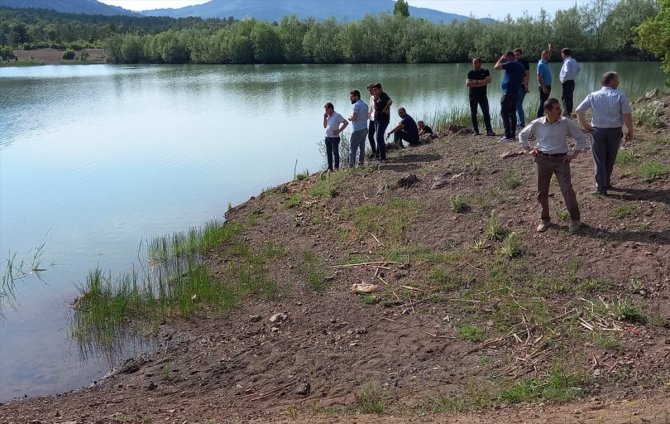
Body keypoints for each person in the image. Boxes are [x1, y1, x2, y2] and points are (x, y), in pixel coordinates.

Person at [519, 98, 587, 234]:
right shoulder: (537, 123)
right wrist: (528, 150)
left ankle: (575, 220)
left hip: (561, 161)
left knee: (567, 189)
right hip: (542, 160)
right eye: (556, 108)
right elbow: (522, 135)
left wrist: (574, 155)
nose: (559, 111)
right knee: (542, 191)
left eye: (559, 108)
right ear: (548, 111)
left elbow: (580, 136)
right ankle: (545, 219)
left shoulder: (565, 123)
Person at [575, 71, 634, 195]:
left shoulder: (593, 95)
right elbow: (627, 115)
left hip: (598, 131)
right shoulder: (620, 95)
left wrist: (586, 126)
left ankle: (601, 187)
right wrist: (630, 130)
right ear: (611, 81)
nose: (618, 82)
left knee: (599, 159)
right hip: (615, 131)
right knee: (610, 158)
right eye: (617, 79)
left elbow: (579, 110)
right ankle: (605, 182)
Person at [494, 51, 526, 142]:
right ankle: (512, 135)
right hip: (515, 92)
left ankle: (508, 135)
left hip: (507, 92)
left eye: (506, 58)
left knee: (504, 113)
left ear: (509, 57)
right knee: (512, 114)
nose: (505, 60)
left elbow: (496, 67)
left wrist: (501, 59)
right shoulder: (520, 65)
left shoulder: (511, 63)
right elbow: (523, 78)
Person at [466, 57, 495, 136]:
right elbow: (468, 84)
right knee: (473, 114)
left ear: (480, 63)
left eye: (476, 63)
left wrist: (475, 82)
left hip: (482, 96)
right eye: (473, 63)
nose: (474, 64)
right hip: (472, 96)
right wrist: (481, 83)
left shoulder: (485, 71)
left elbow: (489, 80)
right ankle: (476, 131)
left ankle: (489, 130)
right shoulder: (470, 73)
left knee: (486, 113)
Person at [322, 102, 348, 171]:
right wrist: (324, 118)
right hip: (327, 137)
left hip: (334, 138)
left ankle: (336, 167)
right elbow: (325, 126)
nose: (325, 111)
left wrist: (339, 130)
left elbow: (346, 122)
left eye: (326, 110)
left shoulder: (337, 115)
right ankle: (330, 168)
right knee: (329, 153)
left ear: (330, 109)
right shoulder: (328, 116)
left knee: (335, 152)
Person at [348, 89, 369, 168]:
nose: (350, 98)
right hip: (364, 129)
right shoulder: (365, 105)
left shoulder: (356, 105)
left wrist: (350, 118)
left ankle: (351, 166)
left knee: (352, 148)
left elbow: (355, 117)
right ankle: (361, 164)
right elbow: (367, 117)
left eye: (352, 97)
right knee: (362, 148)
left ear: (356, 96)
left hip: (357, 130)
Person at [372, 83, 392, 161]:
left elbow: (390, 102)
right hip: (377, 119)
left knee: (379, 137)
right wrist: (375, 101)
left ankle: (383, 157)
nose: (374, 92)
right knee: (378, 138)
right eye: (373, 91)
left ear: (380, 89)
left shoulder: (384, 96)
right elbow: (376, 108)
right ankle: (379, 155)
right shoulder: (378, 97)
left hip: (383, 120)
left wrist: (386, 108)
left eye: (375, 90)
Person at [559, 48, 580, 117]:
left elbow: (567, 72)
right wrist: (573, 75)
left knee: (565, 98)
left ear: (563, 54)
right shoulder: (573, 60)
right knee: (570, 97)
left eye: (562, 54)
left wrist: (563, 80)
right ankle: (569, 112)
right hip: (572, 81)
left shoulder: (567, 62)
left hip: (566, 82)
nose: (561, 55)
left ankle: (566, 114)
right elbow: (578, 69)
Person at [514, 48, 530, 127]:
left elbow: (527, 74)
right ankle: (518, 122)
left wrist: (526, 85)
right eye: (515, 55)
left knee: (518, 104)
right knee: (516, 105)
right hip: (514, 87)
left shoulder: (524, 62)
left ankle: (521, 123)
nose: (516, 56)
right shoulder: (513, 62)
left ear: (521, 55)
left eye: (518, 54)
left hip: (521, 87)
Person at [536, 44, 553, 119]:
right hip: (544, 86)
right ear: (543, 56)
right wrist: (544, 87)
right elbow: (539, 77)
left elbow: (548, 53)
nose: (549, 56)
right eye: (547, 55)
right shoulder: (541, 64)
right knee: (543, 103)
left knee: (545, 102)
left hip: (547, 85)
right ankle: (538, 117)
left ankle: (542, 116)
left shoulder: (545, 62)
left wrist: (550, 49)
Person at [366, 84, 377, 157]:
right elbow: (370, 108)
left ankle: (379, 152)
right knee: (370, 136)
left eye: (370, 90)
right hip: (372, 119)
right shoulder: (371, 97)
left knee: (379, 136)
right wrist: (368, 114)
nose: (370, 92)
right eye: (369, 91)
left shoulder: (379, 97)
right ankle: (374, 151)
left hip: (378, 119)